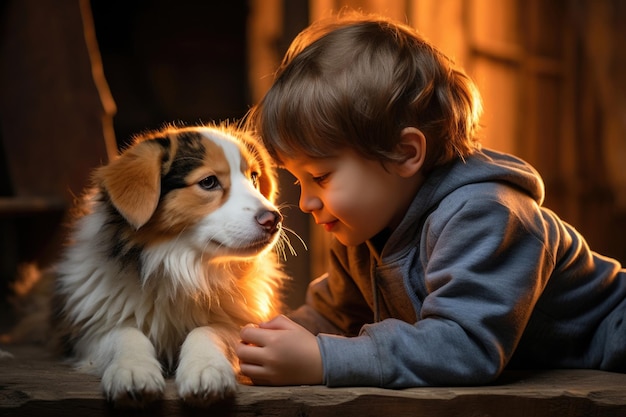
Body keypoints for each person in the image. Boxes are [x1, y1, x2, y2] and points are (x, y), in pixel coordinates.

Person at [235, 12, 626, 388]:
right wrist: (251, 343)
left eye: (320, 177)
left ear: (405, 153)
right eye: (298, 180)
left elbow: (464, 346)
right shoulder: (361, 232)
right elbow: (331, 316)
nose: (305, 203)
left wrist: (324, 360)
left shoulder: (486, 213)